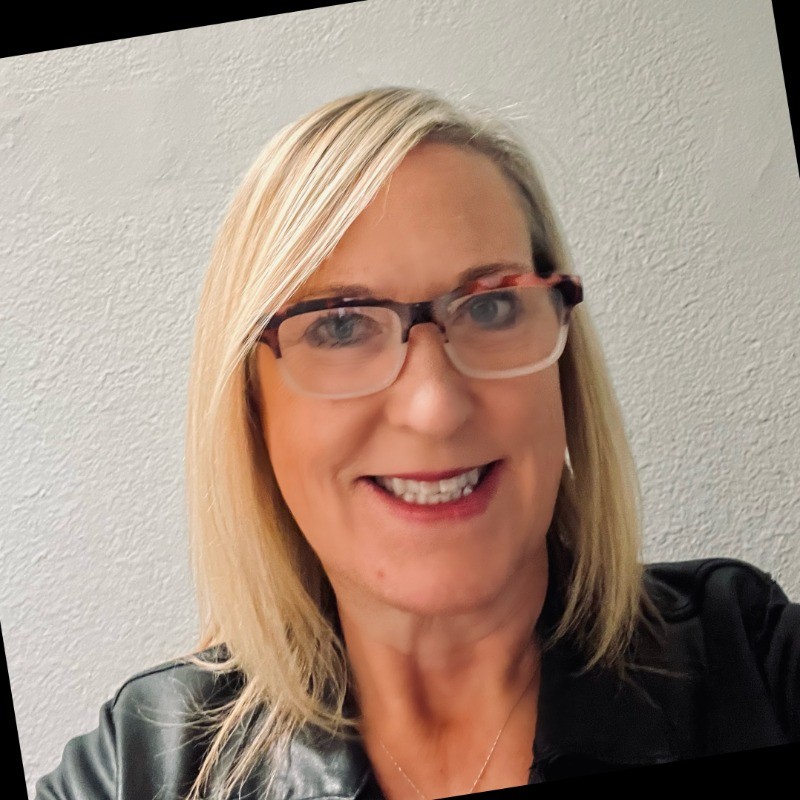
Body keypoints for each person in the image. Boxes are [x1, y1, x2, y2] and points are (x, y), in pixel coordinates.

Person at [35, 87, 799, 800]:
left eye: (494, 306)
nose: (433, 406)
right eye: (339, 325)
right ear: (249, 406)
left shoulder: (754, 666)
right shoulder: (147, 764)